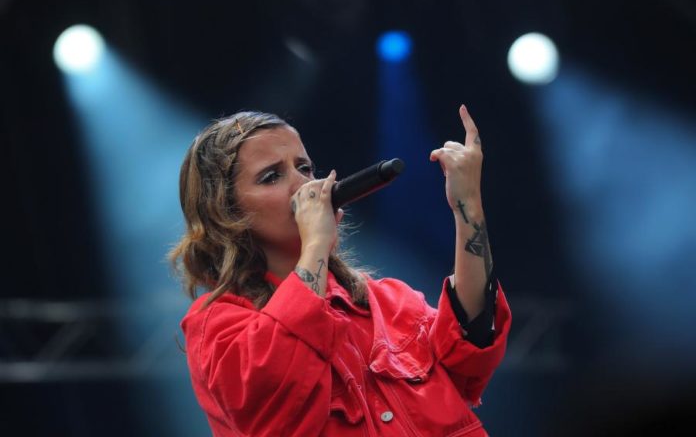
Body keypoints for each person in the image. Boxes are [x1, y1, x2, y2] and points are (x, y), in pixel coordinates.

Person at [170, 106, 511, 437]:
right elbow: (277, 406)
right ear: (226, 212)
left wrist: (467, 206)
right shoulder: (218, 325)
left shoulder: (386, 301)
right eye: (272, 176)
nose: (304, 185)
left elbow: (470, 348)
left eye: (304, 168)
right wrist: (316, 242)